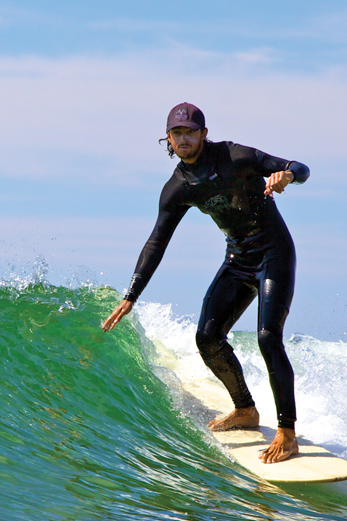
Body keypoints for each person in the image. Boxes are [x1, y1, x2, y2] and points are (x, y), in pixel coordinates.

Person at [101, 102, 309, 464]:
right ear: (168, 138)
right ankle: (245, 410)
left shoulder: (235, 156)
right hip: (239, 259)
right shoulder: (178, 187)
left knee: (267, 337)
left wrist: (286, 175)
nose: (184, 138)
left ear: (203, 134)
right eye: (177, 133)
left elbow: (299, 167)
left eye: (190, 132)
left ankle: (286, 433)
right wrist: (131, 295)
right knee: (207, 337)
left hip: (274, 254)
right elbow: (156, 242)